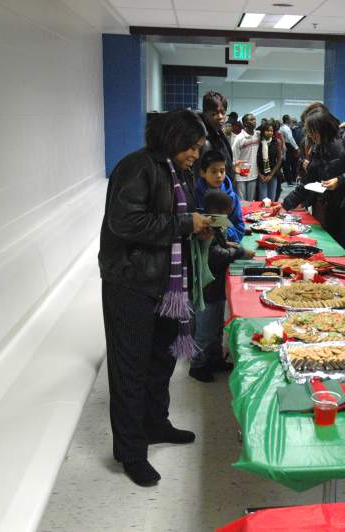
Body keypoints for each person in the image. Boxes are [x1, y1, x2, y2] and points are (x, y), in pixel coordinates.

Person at [98, 109, 212, 487]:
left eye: (199, 148)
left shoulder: (177, 170)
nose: (196, 155)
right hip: (131, 283)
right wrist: (184, 223)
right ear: (173, 138)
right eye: (192, 146)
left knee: (161, 360)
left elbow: (172, 218)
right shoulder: (137, 167)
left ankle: (155, 423)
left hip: (166, 284)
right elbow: (125, 222)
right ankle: (131, 451)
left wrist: (196, 227)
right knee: (130, 368)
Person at [189, 189, 254, 383]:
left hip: (216, 289)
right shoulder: (205, 230)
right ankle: (197, 365)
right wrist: (239, 252)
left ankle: (215, 358)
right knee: (204, 331)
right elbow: (215, 257)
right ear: (217, 213)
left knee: (216, 328)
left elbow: (221, 245)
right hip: (207, 290)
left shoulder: (215, 227)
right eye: (226, 215)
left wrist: (230, 245)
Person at [282, 105, 345, 249]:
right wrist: (285, 205)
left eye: (313, 132)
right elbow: (307, 181)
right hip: (326, 208)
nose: (310, 136)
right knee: (327, 247)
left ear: (323, 127)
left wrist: (340, 180)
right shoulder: (318, 147)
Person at [194, 149, 245, 243]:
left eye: (222, 171)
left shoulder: (232, 197)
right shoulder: (194, 195)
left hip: (225, 246)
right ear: (202, 173)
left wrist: (223, 232)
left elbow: (239, 228)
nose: (219, 175)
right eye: (214, 172)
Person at [195, 91, 235, 190]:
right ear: (205, 114)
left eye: (223, 113)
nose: (220, 117)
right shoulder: (205, 141)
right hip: (212, 194)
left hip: (223, 190)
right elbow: (200, 178)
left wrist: (230, 166)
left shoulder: (218, 133)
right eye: (214, 114)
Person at [231, 113, 260, 201]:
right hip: (242, 172)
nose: (254, 121)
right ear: (245, 123)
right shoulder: (239, 138)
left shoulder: (257, 135)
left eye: (254, 119)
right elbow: (234, 157)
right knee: (242, 201)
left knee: (251, 201)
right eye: (251, 120)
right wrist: (235, 175)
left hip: (254, 172)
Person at [255, 121, 282, 201]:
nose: (270, 132)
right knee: (263, 199)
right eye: (267, 130)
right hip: (261, 174)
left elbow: (279, 160)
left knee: (272, 199)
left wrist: (271, 175)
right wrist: (259, 174)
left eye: (271, 131)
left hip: (273, 173)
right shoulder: (258, 142)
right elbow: (255, 160)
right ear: (263, 131)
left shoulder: (277, 141)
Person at [280, 114, 300, 186]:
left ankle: (289, 180)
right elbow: (290, 138)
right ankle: (290, 181)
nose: (291, 120)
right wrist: (296, 147)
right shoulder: (286, 128)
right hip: (289, 146)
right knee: (291, 164)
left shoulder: (282, 127)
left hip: (285, 146)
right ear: (287, 120)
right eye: (289, 119)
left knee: (287, 164)